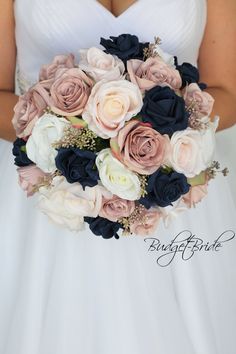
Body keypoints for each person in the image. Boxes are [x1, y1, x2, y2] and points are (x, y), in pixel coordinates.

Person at [0, 1, 235, 354]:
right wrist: (73, 137)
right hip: (43, 197)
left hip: (174, 198)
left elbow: (226, 91)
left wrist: (153, 139)